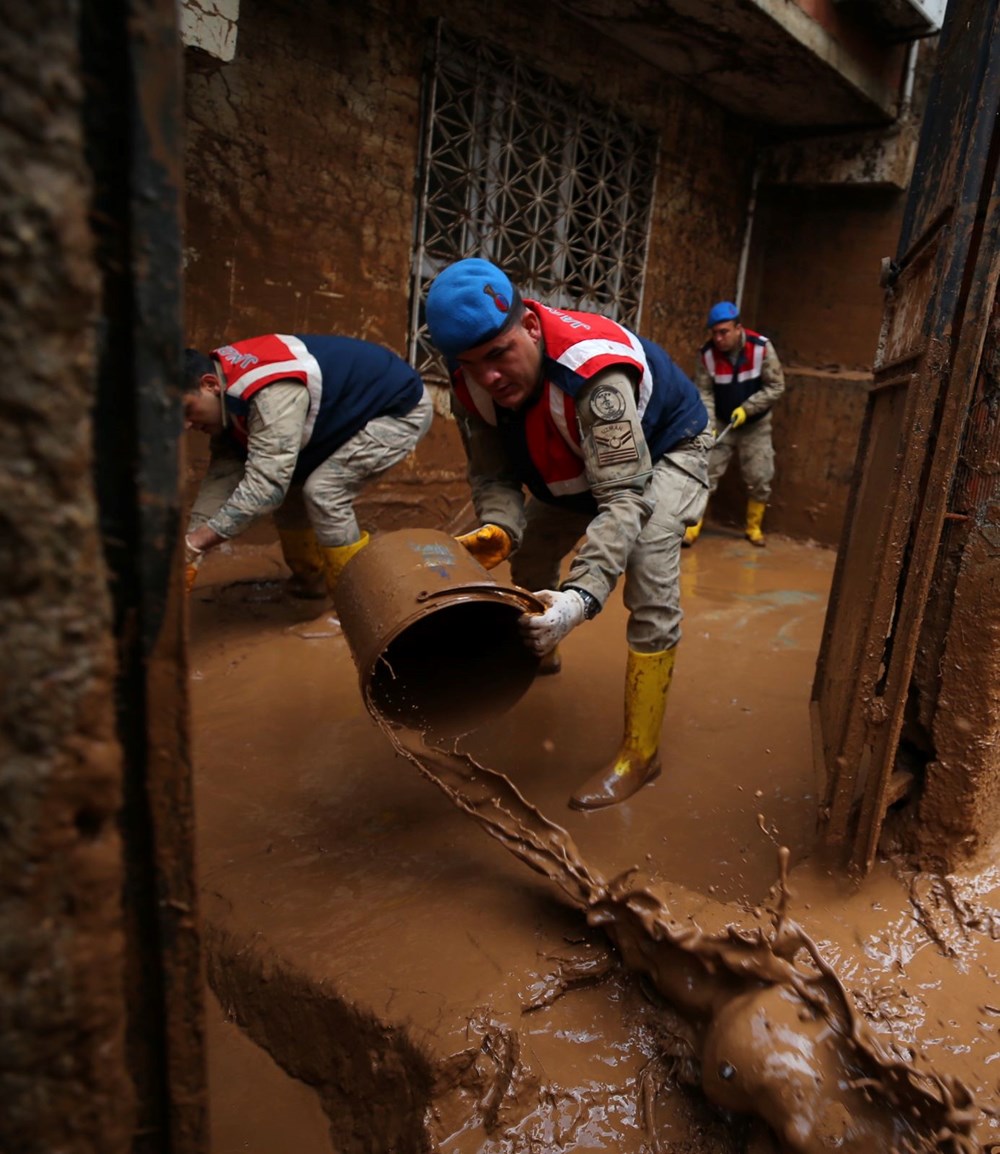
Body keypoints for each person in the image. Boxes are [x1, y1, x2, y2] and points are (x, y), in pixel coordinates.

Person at [425, 258, 711, 811]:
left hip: (664, 449)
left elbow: (624, 496)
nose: (489, 376)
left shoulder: (594, 373)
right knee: (529, 555)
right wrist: (501, 528)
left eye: (500, 353)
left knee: (649, 575)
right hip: (583, 464)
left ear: (530, 326)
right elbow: (493, 475)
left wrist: (579, 599)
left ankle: (640, 754)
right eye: (471, 363)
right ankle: (543, 650)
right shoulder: (471, 385)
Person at [182, 334, 433, 597]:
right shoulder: (223, 393)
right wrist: (189, 553)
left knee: (324, 492)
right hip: (338, 415)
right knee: (291, 489)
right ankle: (312, 582)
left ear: (210, 384)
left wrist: (199, 542)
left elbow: (266, 489)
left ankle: (358, 600)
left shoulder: (269, 393)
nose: (186, 425)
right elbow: (222, 475)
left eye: (187, 410)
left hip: (396, 409)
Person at [683, 301, 785, 547]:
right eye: (714, 332)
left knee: (760, 475)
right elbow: (704, 392)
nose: (718, 338)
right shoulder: (707, 355)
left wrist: (747, 409)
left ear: (738, 328)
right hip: (721, 421)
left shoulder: (761, 348)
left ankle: (753, 527)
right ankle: (692, 527)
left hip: (755, 424)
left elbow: (776, 386)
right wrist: (708, 423)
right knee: (706, 473)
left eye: (724, 332)